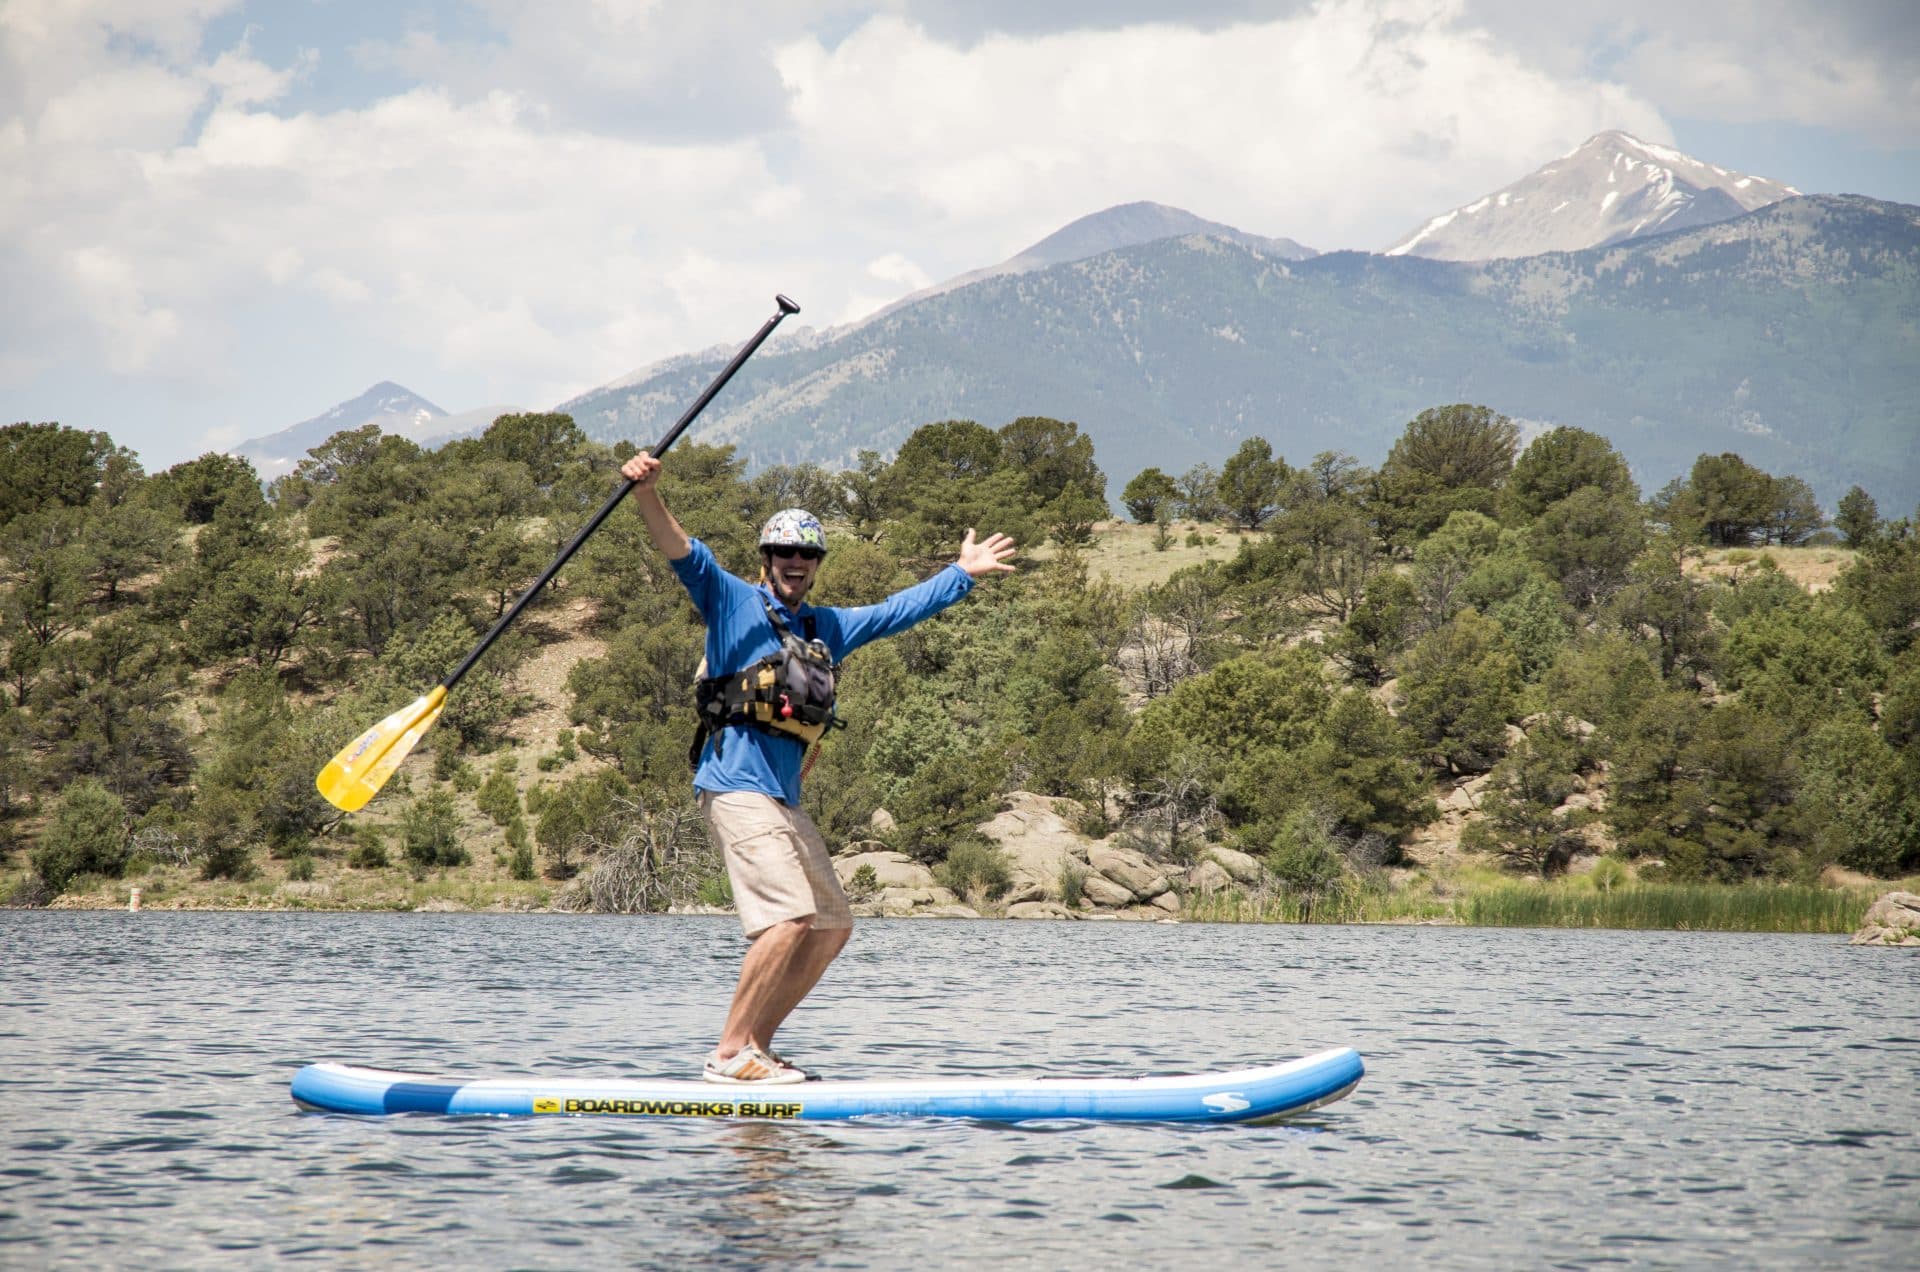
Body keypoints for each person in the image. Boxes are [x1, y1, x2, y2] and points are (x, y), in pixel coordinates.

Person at [621, 449, 1017, 1084]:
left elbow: (895, 611)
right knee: (788, 918)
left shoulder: (825, 627)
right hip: (734, 786)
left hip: (782, 799)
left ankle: (757, 1045)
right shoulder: (730, 601)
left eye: (806, 554)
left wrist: (961, 574)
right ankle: (729, 1054)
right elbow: (682, 550)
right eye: (784, 552)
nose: (795, 561)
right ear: (767, 558)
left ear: (816, 565)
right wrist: (646, 492)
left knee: (830, 925)